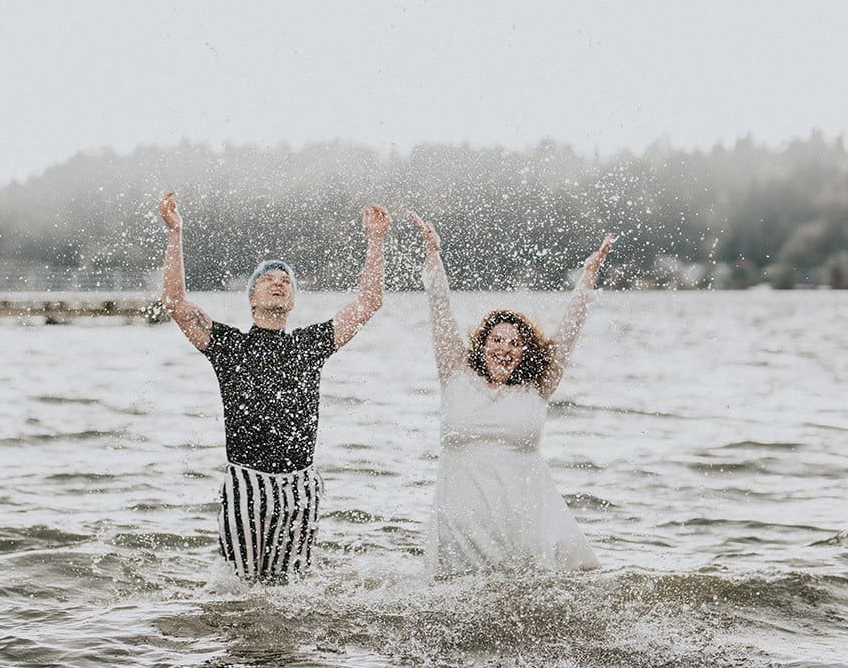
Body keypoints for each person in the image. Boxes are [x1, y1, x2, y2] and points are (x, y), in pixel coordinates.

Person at [157, 191, 390, 583]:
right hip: (245, 483)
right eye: (268, 279)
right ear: (252, 298)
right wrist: (175, 233)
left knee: (289, 596)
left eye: (285, 281)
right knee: (240, 590)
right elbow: (175, 304)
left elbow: (368, 303)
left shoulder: (309, 345)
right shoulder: (229, 345)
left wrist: (376, 241)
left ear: (294, 300)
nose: (278, 284)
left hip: (300, 485)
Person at [409, 212, 616, 577]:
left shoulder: (537, 386)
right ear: (482, 345)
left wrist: (587, 277)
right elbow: (440, 309)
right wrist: (433, 253)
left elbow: (568, 335)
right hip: (461, 519)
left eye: (515, 342)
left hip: (522, 518)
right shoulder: (456, 375)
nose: (504, 348)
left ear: (526, 351)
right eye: (497, 340)